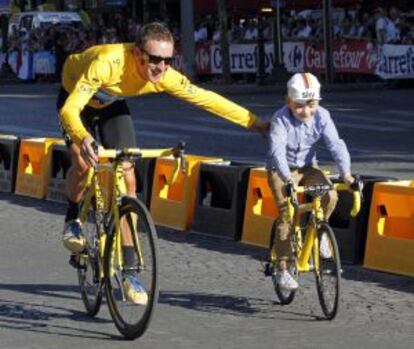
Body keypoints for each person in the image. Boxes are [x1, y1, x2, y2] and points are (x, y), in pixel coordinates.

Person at [57, 22, 268, 304]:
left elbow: (205, 99)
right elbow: (71, 109)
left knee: (127, 177)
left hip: (111, 105)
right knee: (83, 163)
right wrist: (83, 138)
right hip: (75, 100)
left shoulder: (164, 75)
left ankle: (130, 270)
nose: (161, 67)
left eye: (167, 60)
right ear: (137, 54)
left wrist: (255, 123)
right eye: (155, 59)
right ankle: (73, 218)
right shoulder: (107, 62)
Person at [266, 72, 354, 291]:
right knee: (287, 213)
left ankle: (319, 232)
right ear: (289, 102)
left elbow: (336, 144)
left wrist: (347, 174)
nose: (306, 111)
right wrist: (287, 180)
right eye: (299, 106)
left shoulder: (323, 116)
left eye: (311, 104)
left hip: (307, 167)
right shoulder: (280, 119)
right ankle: (282, 269)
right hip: (281, 169)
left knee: (330, 194)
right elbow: (276, 151)